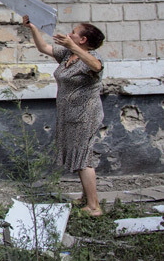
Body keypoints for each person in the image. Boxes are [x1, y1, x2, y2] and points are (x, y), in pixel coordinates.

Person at [22, 15, 105, 216]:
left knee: (84, 157)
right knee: (78, 156)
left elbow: (96, 66)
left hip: (86, 115)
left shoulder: (89, 60)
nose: (70, 34)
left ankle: (94, 207)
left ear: (83, 40)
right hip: (69, 114)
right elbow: (44, 48)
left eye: (74, 33)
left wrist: (72, 46)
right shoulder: (68, 55)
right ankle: (86, 199)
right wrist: (32, 27)